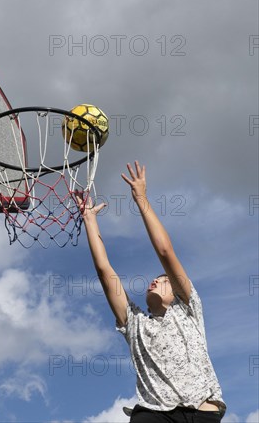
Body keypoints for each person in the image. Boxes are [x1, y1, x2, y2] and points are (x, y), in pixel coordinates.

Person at [76, 161, 226, 422]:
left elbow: (165, 251)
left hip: (202, 411)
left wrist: (141, 198)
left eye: (164, 281)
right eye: (154, 281)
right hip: (155, 414)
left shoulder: (188, 308)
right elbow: (104, 270)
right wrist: (90, 220)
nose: (155, 282)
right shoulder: (134, 324)